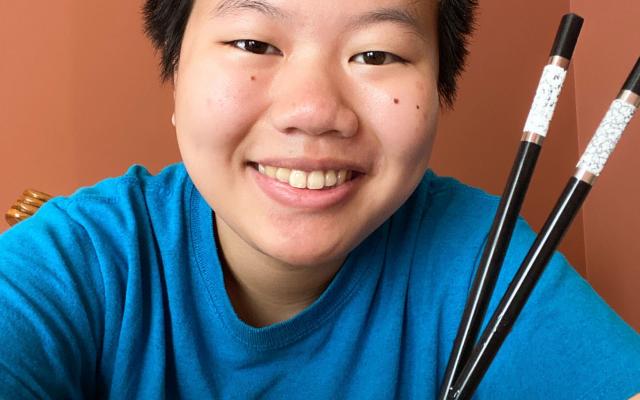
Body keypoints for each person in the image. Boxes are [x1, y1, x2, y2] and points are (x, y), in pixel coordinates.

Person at [1, 0, 639, 398]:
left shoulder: (488, 261)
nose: (313, 111)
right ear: (175, 72)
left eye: (377, 52)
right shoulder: (79, 260)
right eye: (254, 43)